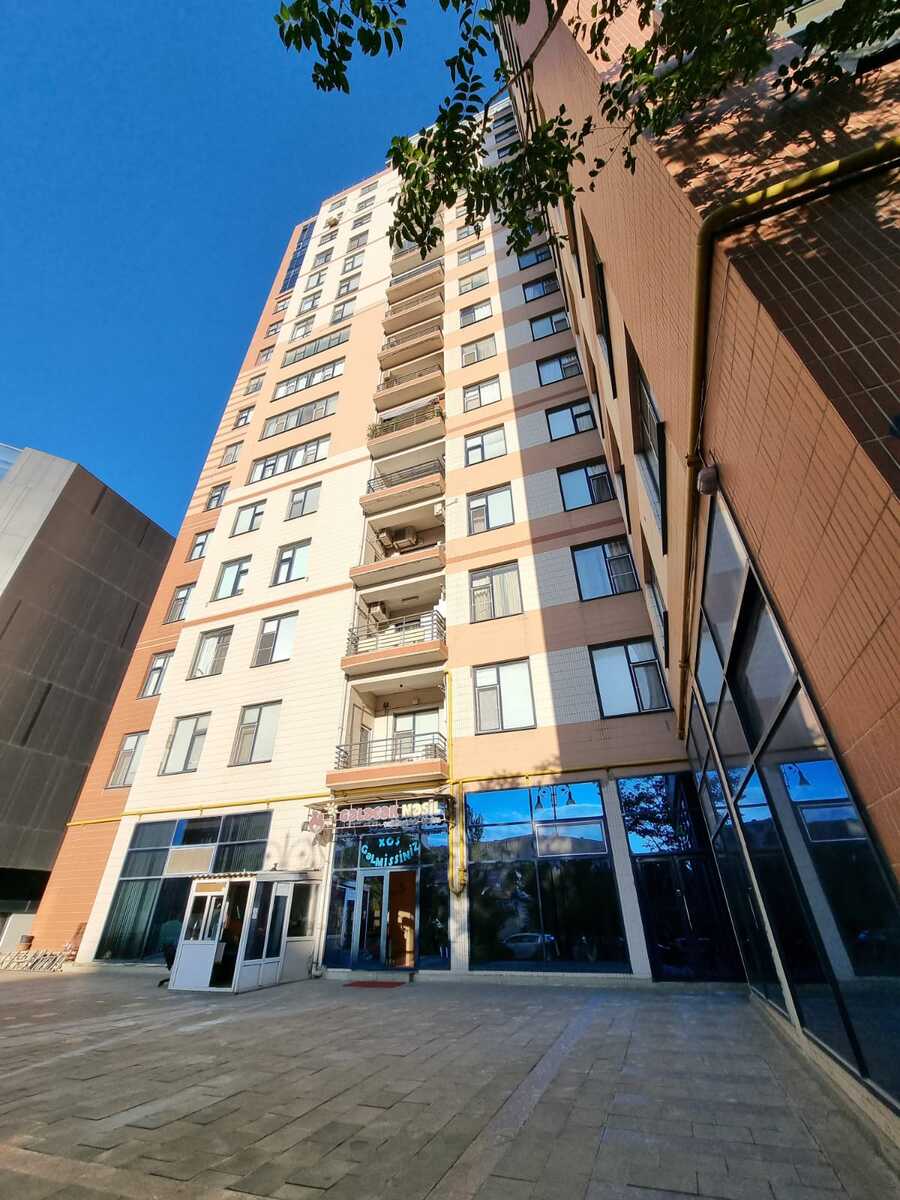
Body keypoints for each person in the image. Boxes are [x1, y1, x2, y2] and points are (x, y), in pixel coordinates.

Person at [157, 917, 182, 987]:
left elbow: (161, 939)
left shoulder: (165, 925)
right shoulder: (180, 925)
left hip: (168, 951)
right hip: (173, 951)